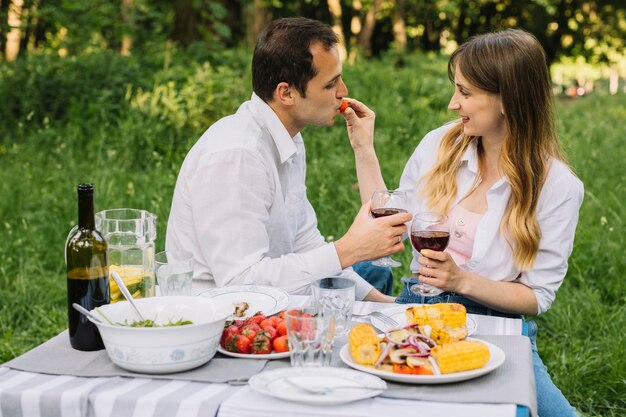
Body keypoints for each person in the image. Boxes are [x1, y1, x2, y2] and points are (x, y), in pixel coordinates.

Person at [344, 29, 582, 416]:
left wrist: (462, 281)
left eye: (466, 93)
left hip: (498, 327)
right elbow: (390, 221)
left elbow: (538, 296)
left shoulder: (557, 186)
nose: (454, 104)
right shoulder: (440, 145)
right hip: (419, 310)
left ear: (508, 99)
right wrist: (363, 147)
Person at [165, 17, 411, 302]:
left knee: (373, 277)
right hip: (228, 318)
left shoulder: (288, 138)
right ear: (286, 93)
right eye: (331, 84)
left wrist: (387, 306)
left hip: (279, 293)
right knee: (363, 270)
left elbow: (305, 242)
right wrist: (348, 250)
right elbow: (240, 284)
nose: (343, 92)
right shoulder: (238, 155)